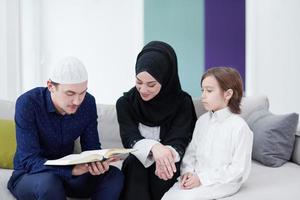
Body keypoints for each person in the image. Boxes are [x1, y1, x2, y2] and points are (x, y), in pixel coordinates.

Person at [7, 57, 124, 200]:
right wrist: (71, 170)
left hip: (70, 177)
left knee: (113, 175)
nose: (77, 101)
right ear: (50, 86)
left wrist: (98, 162)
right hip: (31, 175)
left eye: (82, 93)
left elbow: (91, 147)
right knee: (49, 182)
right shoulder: (28, 103)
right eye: (70, 93)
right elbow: (29, 160)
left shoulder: (88, 103)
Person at [116, 41, 197, 200]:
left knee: (166, 169)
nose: (143, 90)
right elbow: (129, 138)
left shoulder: (183, 103)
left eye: (151, 84)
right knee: (135, 164)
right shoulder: (125, 103)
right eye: (139, 82)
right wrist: (154, 147)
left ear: (166, 79)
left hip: (171, 162)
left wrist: (164, 155)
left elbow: (180, 139)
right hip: (137, 164)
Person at [162, 67, 253, 200]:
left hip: (223, 182)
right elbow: (191, 153)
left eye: (209, 91)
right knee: (167, 197)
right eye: (202, 90)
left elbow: (239, 169)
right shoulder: (202, 121)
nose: (203, 95)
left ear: (227, 94)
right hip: (197, 177)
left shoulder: (239, 127)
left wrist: (202, 179)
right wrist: (187, 172)